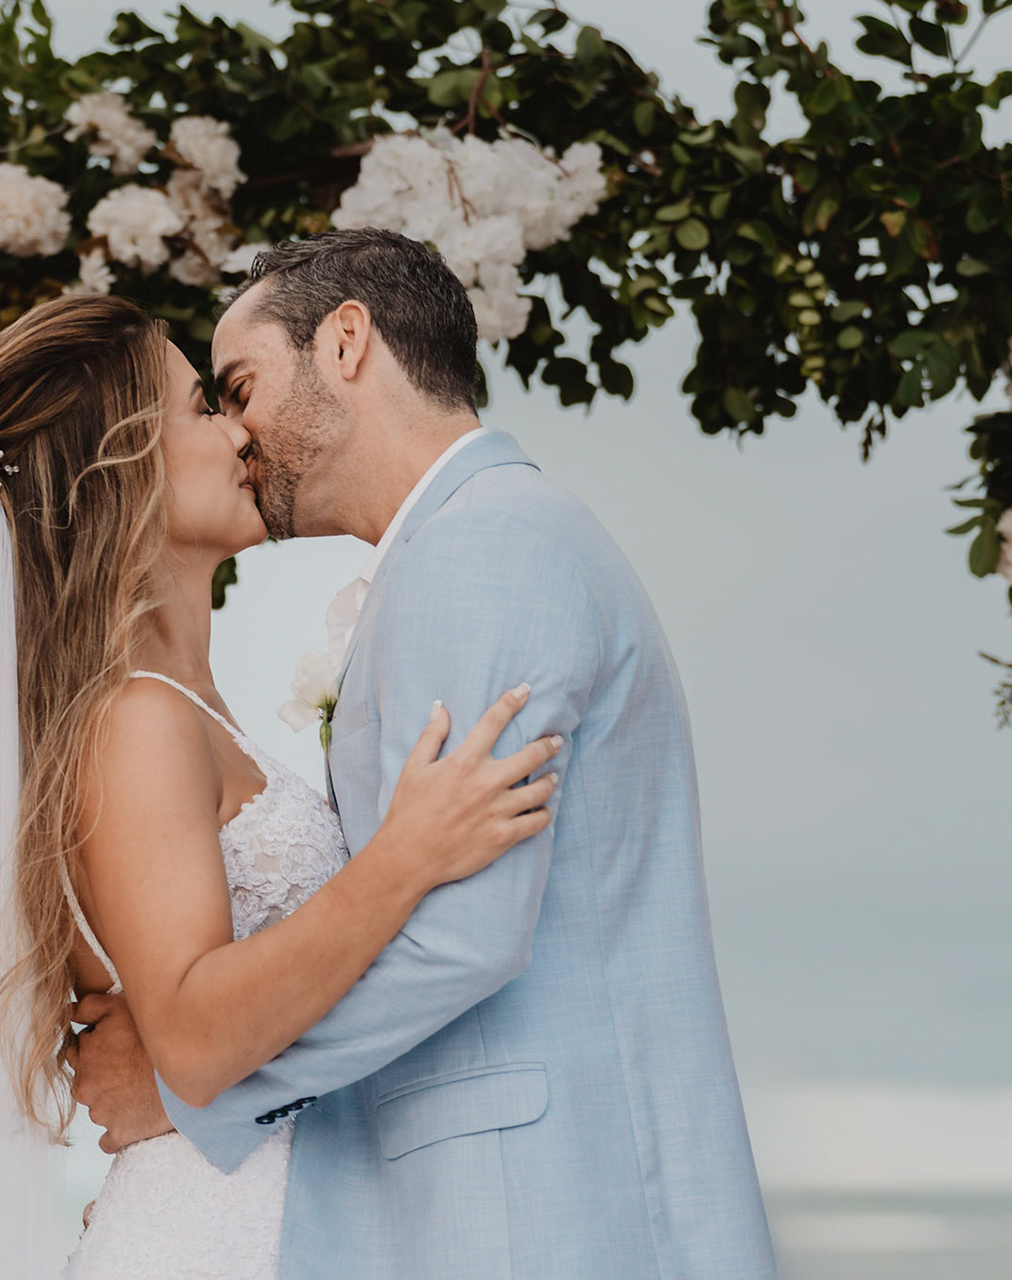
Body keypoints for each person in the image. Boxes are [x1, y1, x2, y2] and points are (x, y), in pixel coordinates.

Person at [0, 292, 559, 1280]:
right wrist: (404, 860)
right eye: (204, 406)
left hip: (281, 1213)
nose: (245, 428)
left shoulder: (177, 706)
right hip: (225, 1231)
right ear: (121, 470)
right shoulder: (136, 719)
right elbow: (195, 1033)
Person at [70, 228, 779, 1279]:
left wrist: (193, 1084)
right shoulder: (474, 544)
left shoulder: (482, 552)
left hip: (533, 1207)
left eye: (242, 384)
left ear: (346, 342)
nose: (238, 430)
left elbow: (462, 936)